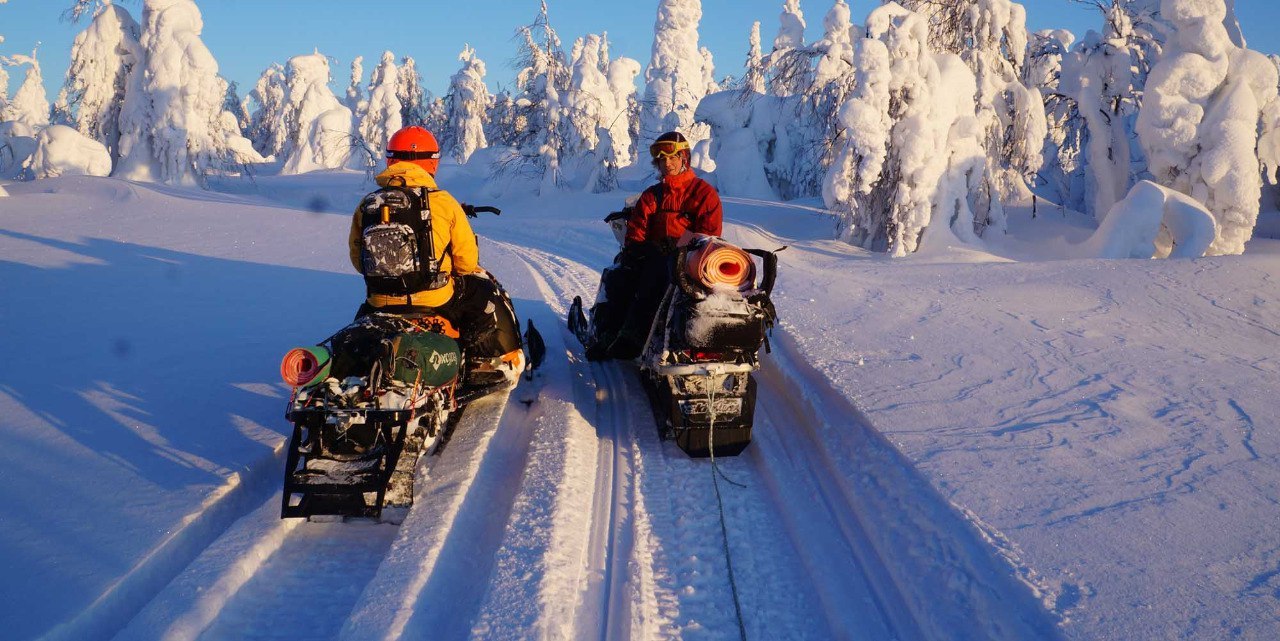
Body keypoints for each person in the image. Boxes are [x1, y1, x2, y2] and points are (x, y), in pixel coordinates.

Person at [349, 125, 524, 384]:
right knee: (483, 291)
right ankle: (482, 359)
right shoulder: (442, 201)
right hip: (436, 299)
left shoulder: (368, 204)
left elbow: (357, 260)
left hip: (379, 302)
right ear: (431, 163)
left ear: (390, 159)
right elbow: (466, 262)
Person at [586, 130, 723, 360]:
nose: (666, 163)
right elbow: (637, 230)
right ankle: (608, 334)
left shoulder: (703, 194)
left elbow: (709, 233)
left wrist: (680, 244)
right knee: (619, 277)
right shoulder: (652, 195)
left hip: (691, 262)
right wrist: (639, 248)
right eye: (662, 159)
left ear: (684, 158)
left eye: (672, 157)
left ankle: (633, 337)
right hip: (652, 256)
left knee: (655, 275)